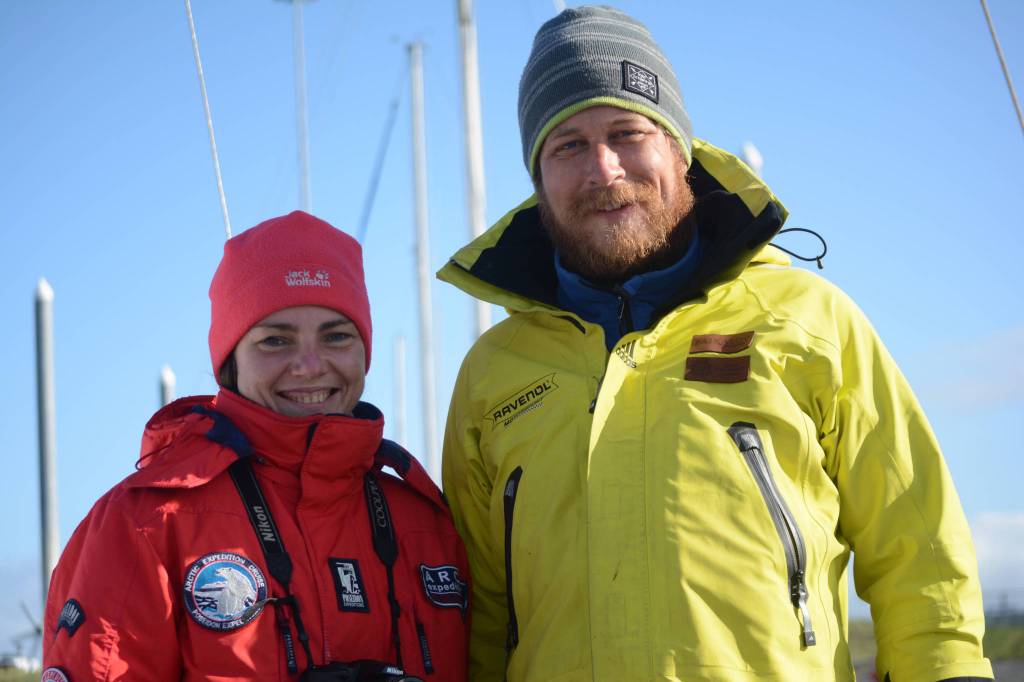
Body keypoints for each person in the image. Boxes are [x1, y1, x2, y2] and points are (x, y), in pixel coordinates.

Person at [439, 6, 992, 682]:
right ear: (539, 178)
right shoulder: (493, 373)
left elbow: (918, 547)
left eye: (627, 132)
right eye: (568, 146)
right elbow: (479, 612)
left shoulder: (810, 321)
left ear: (680, 149)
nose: (604, 168)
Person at [43, 211, 469, 681]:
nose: (310, 365)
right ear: (230, 362)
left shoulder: (426, 522)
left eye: (337, 336)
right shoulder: (147, 523)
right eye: (275, 341)